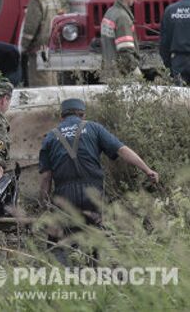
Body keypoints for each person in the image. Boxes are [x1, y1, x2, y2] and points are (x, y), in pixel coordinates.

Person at [38, 98, 158, 264]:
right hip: (93, 195)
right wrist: (147, 170)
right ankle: (99, 276)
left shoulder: (50, 137)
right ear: (83, 114)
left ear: (61, 116)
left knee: (59, 245)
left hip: (64, 197)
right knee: (98, 240)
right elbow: (122, 150)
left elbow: (45, 177)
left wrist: (45, 205)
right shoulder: (93, 128)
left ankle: (64, 278)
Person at [20, 0, 61, 87]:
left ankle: (44, 105)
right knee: (52, 78)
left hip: (39, 46)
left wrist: (23, 46)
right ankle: (54, 103)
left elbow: (31, 25)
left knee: (40, 81)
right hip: (53, 44)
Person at [100, 0, 141, 80]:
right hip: (120, 75)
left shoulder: (110, 12)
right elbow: (125, 50)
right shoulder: (122, 17)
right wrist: (136, 73)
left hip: (109, 71)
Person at [160, 0, 190, 85]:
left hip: (178, 62)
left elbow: (164, 42)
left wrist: (168, 64)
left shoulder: (170, 10)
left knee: (179, 98)